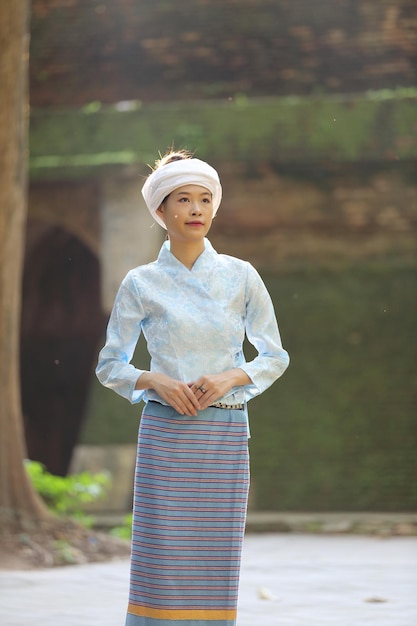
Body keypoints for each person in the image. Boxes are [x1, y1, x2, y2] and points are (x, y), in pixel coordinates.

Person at [96, 150, 289, 626]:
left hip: (223, 432)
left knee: (214, 559)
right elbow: (109, 365)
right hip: (165, 435)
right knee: (160, 558)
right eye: (183, 199)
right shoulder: (141, 283)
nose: (197, 209)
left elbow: (274, 356)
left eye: (205, 199)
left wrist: (231, 375)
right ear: (161, 211)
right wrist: (151, 378)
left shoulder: (241, 275)